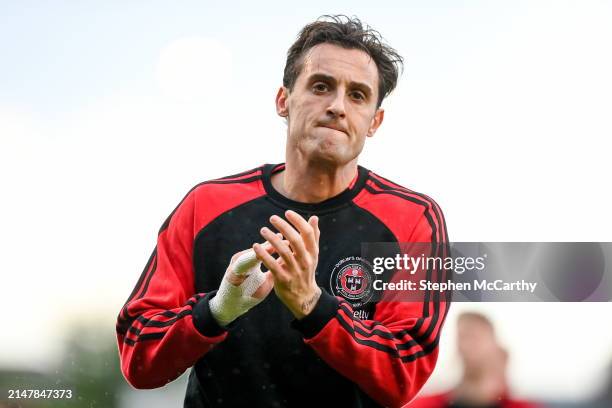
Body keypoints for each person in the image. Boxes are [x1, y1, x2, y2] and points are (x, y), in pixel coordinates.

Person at [115, 15, 450, 408]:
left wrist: (313, 305)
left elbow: (402, 373)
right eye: (321, 86)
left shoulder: (412, 219)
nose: (338, 107)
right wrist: (217, 311)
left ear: (374, 121)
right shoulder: (205, 206)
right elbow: (139, 359)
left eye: (358, 95)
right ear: (283, 100)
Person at [408, 312, 540, 408]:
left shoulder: (520, 405)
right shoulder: (425, 404)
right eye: (463, 337)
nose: (468, 345)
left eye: (475, 337)